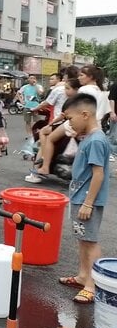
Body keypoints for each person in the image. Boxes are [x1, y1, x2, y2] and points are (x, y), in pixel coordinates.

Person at [57, 93, 110, 304]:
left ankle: (92, 284)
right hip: (80, 197)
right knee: (83, 239)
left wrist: (88, 202)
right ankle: (82, 276)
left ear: (85, 114)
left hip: (88, 200)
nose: (69, 123)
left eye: (70, 119)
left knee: (90, 242)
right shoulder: (90, 138)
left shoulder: (96, 140)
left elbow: (99, 173)